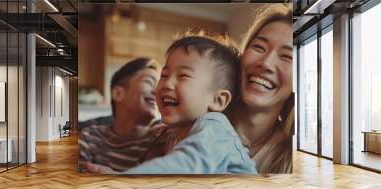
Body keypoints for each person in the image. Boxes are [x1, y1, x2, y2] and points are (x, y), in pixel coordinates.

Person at [124, 35, 257, 174]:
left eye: (183, 76)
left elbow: (184, 165)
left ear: (218, 100)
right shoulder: (173, 135)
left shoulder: (215, 127)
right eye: (164, 76)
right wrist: (114, 174)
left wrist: (122, 181)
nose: (167, 84)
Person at [226, 4, 294, 173]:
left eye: (287, 56)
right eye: (259, 47)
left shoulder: (291, 156)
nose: (265, 63)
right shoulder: (195, 123)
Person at [78, 57, 169, 172]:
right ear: (118, 94)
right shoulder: (89, 136)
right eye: (149, 82)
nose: (158, 92)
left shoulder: (164, 136)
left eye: (160, 87)